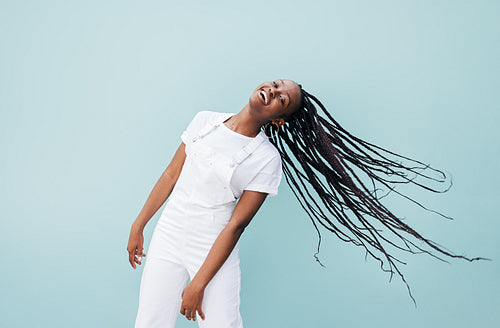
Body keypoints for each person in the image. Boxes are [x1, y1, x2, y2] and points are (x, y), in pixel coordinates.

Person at [127, 79, 489, 327]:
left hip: (213, 243)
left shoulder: (265, 159)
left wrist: (198, 284)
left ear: (279, 120)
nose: (273, 90)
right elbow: (170, 175)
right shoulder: (204, 121)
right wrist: (138, 224)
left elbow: (235, 226)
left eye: (282, 98)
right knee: (150, 320)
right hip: (170, 231)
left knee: (222, 323)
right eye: (276, 83)